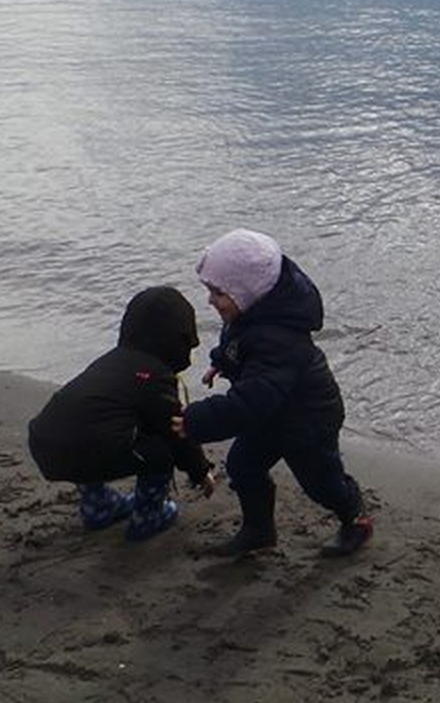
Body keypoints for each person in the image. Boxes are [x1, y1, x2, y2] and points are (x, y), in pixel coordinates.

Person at [182, 229, 373, 560]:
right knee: (243, 466)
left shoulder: (280, 338)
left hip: (308, 419)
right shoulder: (249, 313)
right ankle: (259, 531)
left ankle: (354, 516)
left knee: (322, 483)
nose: (211, 300)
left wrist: (196, 420)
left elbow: (252, 400)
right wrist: (220, 363)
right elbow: (236, 345)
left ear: (246, 293)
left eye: (218, 292)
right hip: (271, 415)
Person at [26, 285, 214, 542]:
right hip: (83, 448)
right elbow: (176, 431)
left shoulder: (112, 360)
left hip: (44, 441)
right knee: (161, 449)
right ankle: (148, 516)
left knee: (94, 431)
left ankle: (98, 505)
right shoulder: (155, 376)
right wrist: (200, 471)